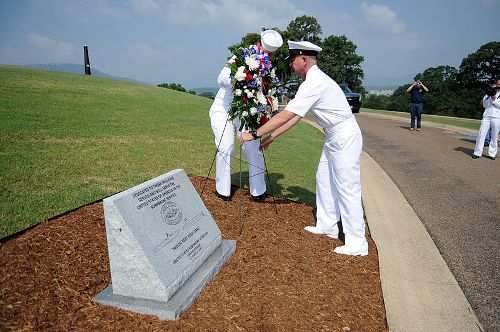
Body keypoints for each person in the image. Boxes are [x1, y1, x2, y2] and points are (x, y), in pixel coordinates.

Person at [240, 40, 368, 256]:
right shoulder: (313, 80)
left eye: (292, 61)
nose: (291, 65)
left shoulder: (314, 83)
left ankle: (357, 243)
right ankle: (327, 225)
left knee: (347, 187)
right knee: (323, 178)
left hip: (344, 136)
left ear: (304, 60)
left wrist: (254, 134)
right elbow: (296, 117)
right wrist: (273, 136)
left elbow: (286, 115)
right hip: (335, 136)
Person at [209, 30, 283, 201]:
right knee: (226, 147)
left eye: (270, 54)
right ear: (258, 45)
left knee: (253, 149)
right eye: (264, 51)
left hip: (247, 113)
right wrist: (238, 79)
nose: (266, 55)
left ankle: (258, 191)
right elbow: (221, 79)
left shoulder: (268, 68)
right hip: (225, 110)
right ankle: (223, 191)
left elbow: (265, 93)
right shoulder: (240, 58)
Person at [472, 79, 500, 160]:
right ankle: (477, 152)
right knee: (481, 134)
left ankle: (492, 154)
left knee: (494, 136)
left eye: (499, 84)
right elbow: (484, 105)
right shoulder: (489, 93)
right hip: (487, 116)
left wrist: (494, 99)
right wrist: (488, 96)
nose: (498, 85)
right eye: (497, 84)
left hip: (497, 117)